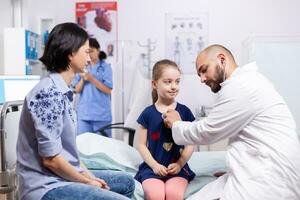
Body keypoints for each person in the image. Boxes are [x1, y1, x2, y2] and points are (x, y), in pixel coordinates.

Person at [163, 44, 300, 200]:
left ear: (222, 59)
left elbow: (207, 131)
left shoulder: (241, 86)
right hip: (261, 167)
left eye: (204, 70)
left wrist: (176, 123)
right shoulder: (245, 82)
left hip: (270, 181)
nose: (202, 79)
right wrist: (237, 170)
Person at [16, 22, 134, 200]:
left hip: (63, 176)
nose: (89, 58)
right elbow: (51, 160)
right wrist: (87, 182)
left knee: (126, 183)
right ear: (71, 53)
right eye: (86, 52)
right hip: (45, 184)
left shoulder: (64, 90)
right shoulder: (48, 94)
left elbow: (70, 153)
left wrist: (89, 177)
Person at [135, 59, 196, 200]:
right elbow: (141, 145)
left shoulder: (184, 112)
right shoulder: (147, 113)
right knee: (156, 195)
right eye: (168, 82)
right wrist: (155, 166)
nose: (174, 86)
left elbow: (191, 143)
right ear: (154, 84)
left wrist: (180, 164)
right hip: (152, 168)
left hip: (177, 168)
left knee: (174, 194)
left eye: (177, 81)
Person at [72, 38, 113, 137]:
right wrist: (82, 79)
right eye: (87, 51)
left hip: (101, 116)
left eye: (92, 51)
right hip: (84, 115)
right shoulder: (82, 66)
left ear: (98, 50)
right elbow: (76, 89)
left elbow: (108, 90)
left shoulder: (105, 67)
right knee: (83, 147)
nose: (89, 54)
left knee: (102, 147)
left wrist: (92, 79)